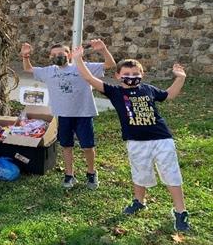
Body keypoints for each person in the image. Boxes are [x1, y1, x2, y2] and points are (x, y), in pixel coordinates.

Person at [72, 47, 190, 232]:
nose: (132, 76)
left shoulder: (149, 89)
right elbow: (89, 79)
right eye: (127, 73)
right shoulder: (115, 92)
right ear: (118, 76)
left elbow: (169, 95)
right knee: (140, 172)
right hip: (136, 141)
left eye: (136, 73)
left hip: (162, 139)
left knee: (171, 173)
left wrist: (180, 77)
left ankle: (181, 211)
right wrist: (77, 59)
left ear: (142, 74)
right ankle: (139, 202)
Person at [21, 39, 115, 189]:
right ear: (50, 57)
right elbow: (29, 69)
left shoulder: (81, 67)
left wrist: (103, 50)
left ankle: (91, 173)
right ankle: (69, 175)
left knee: (88, 146)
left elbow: (110, 64)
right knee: (66, 146)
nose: (58, 56)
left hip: (83, 113)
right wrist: (25, 56)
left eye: (61, 53)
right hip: (63, 115)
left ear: (69, 54)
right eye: (54, 54)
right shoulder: (48, 71)